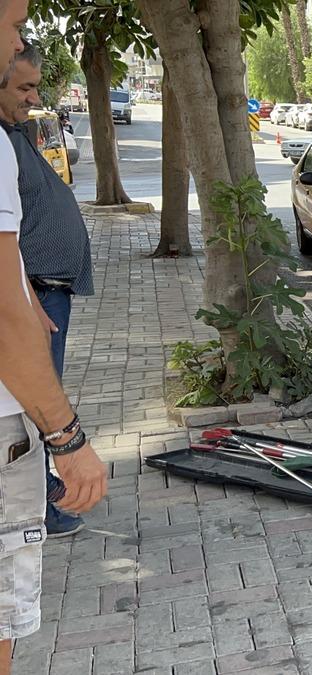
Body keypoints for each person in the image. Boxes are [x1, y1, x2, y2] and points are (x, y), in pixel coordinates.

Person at [0, 4, 108, 672]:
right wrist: (69, 442)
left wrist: (25, 289)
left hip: (35, 301)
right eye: (9, 27)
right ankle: (54, 496)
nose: (15, 41)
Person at [0, 39, 95, 538]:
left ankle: (42, 494)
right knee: (37, 406)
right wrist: (29, 300)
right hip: (32, 299)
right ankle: (40, 508)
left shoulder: (14, 135)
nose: (34, 98)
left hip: (46, 292)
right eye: (25, 87)